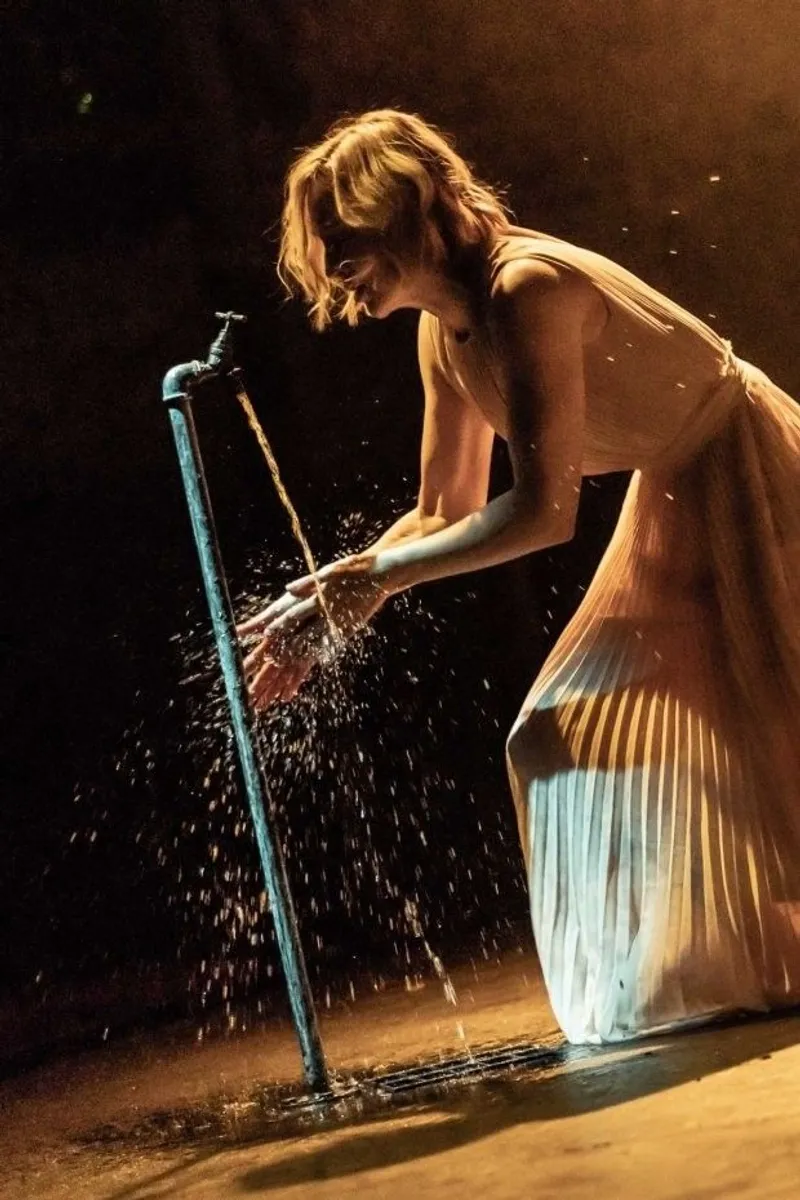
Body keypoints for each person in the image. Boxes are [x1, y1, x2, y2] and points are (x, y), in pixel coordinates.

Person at [238, 108, 800, 1044]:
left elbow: (544, 511)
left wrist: (375, 583)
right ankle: (721, 959)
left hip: (749, 473)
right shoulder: (442, 332)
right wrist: (331, 596)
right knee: (558, 732)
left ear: (411, 214)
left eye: (345, 236)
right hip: (678, 490)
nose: (334, 265)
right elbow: (444, 510)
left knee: (779, 700)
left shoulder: (525, 289)